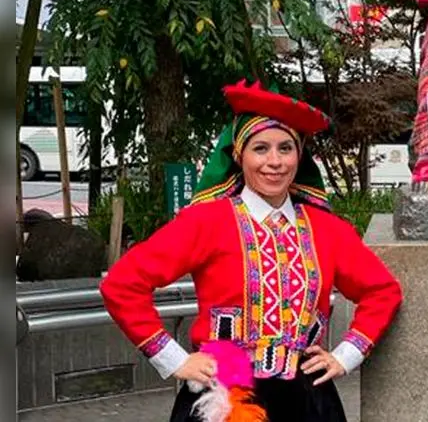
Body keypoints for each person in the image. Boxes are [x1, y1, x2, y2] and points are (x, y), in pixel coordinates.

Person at [100, 80, 403, 422]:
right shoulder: (206, 221)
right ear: (238, 154)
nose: (274, 161)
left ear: (299, 156)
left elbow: (382, 290)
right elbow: (122, 284)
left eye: (285, 148)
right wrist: (175, 359)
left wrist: (346, 355)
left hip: (307, 399)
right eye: (260, 148)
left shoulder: (327, 229)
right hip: (225, 397)